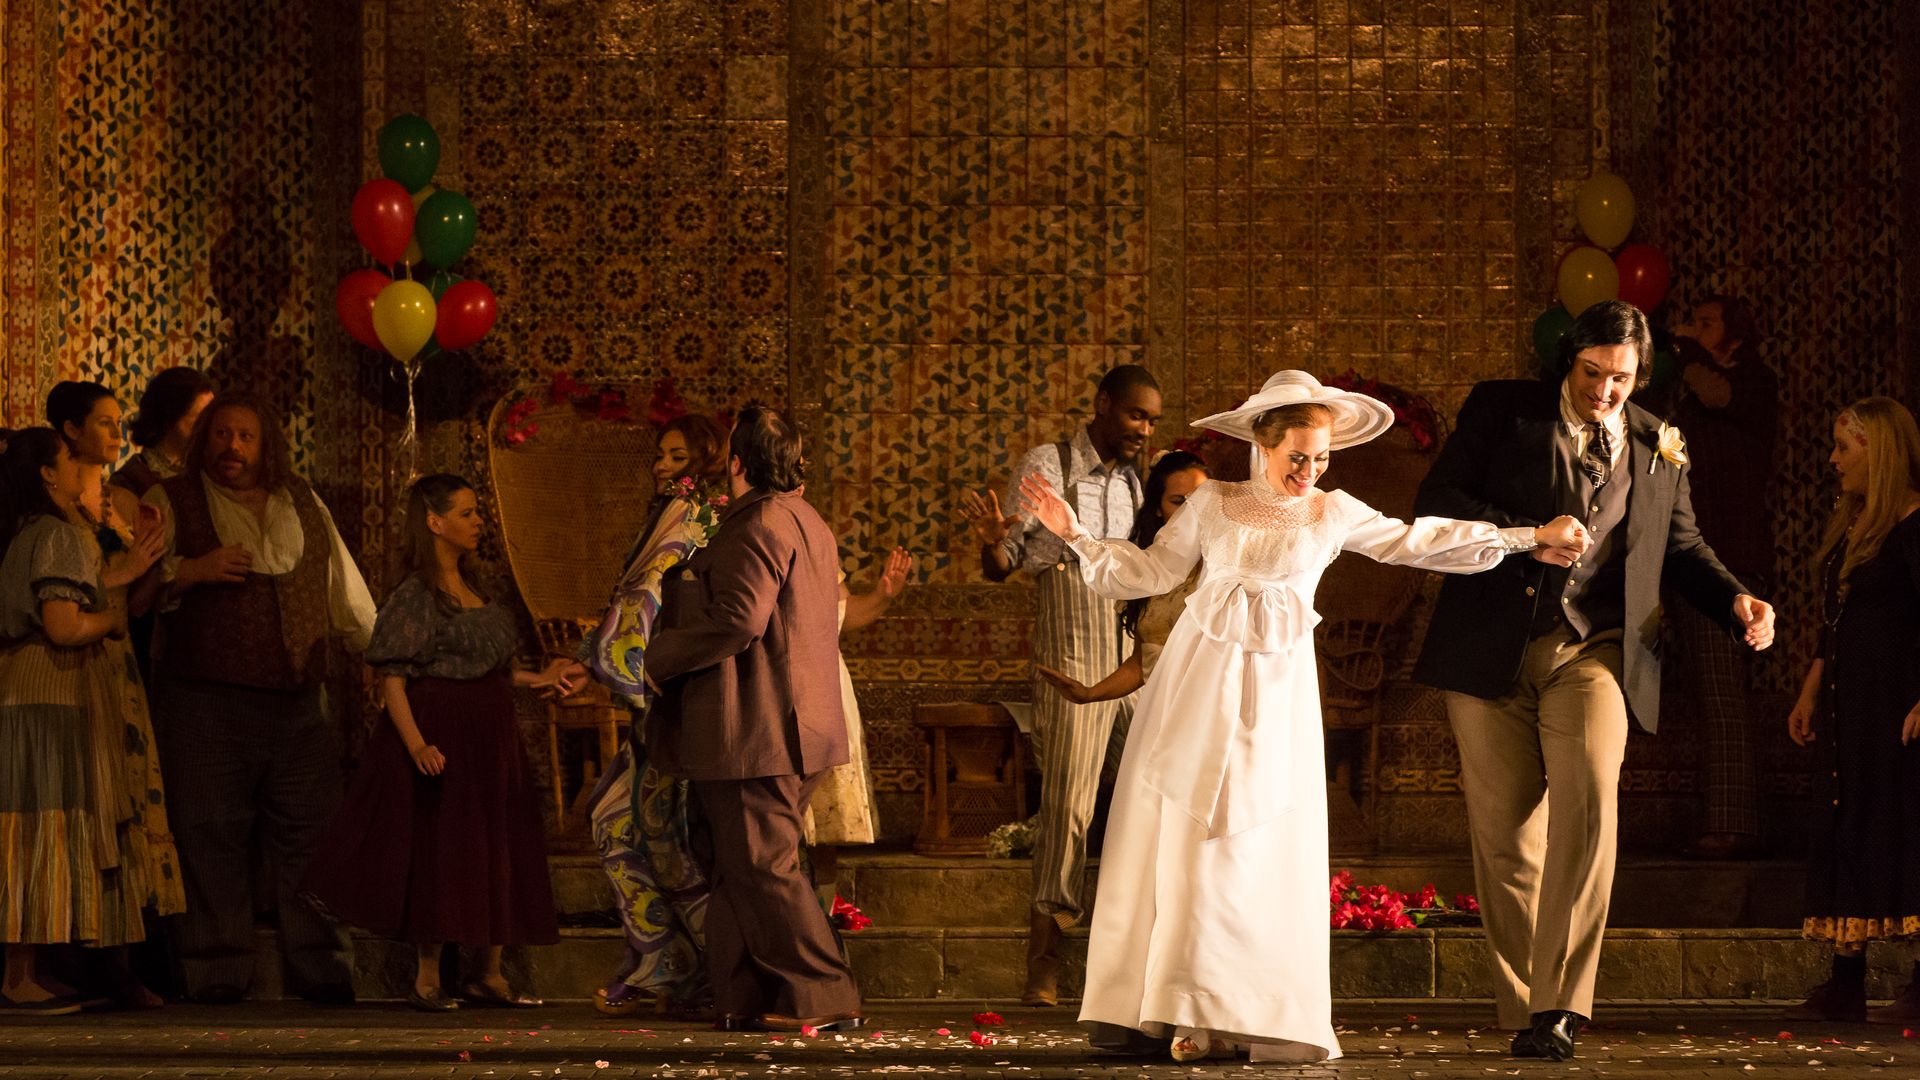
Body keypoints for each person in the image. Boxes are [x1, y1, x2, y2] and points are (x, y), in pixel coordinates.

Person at [1017, 371, 1589, 1063]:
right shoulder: (1213, 504)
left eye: (1321, 458)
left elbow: (1420, 542)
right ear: (1262, 443)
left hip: (1274, 698)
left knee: (1250, 845)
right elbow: (1149, 574)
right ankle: (1174, 1006)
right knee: (1189, 840)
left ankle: (1227, 1013)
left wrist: (1528, 537)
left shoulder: (1333, 511)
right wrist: (1074, 533)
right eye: (1298, 457)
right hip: (1196, 688)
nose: (1310, 471)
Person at [1413, 300, 1774, 1060]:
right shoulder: (1500, 410)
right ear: (1567, 360)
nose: (1606, 391)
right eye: (1592, 373)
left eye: (1623, 377)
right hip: (1490, 648)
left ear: (1641, 374)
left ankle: (1560, 1008)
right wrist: (1524, 539)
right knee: (1508, 839)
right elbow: (1436, 505)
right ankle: (1524, 1006)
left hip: (1597, 650)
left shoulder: (1657, 443)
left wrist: (1734, 595)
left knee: (1588, 800)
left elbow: (1683, 546)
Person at [140, 391, 378, 1004]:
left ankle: (323, 966)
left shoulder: (303, 501)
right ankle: (214, 969)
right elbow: (128, 592)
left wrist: (385, 659)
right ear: (203, 443)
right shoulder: (170, 501)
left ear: (266, 443)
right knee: (208, 834)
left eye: (245, 437)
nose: (233, 448)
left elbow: (345, 595)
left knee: (314, 834)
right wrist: (187, 571)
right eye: (221, 435)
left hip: (299, 704)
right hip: (204, 703)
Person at [302, 474, 566, 1011]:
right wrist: (418, 744)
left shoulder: (480, 588)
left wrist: (539, 680)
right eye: (467, 513)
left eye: (477, 512)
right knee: (446, 850)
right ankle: (428, 976)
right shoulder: (417, 596)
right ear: (434, 521)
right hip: (445, 735)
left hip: (493, 739)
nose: (478, 522)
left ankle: (487, 972)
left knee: (497, 844)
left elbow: (492, 669)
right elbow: (393, 678)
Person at [642, 405, 862, 1032]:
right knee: (737, 862)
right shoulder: (806, 519)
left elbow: (740, 620)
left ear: (737, 464)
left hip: (756, 726)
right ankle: (743, 995)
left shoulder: (759, 521)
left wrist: (658, 659)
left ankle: (824, 991)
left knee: (763, 864)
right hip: (793, 723)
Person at [959, 363, 1160, 1006]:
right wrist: (993, 544)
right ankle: (1044, 961)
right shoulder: (1048, 464)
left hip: (1130, 653)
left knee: (1154, 796)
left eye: (1152, 420)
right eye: (1136, 415)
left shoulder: (1135, 481)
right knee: (1070, 807)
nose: (1144, 430)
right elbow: (1006, 564)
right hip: (1072, 647)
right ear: (1103, 405)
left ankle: (1143, 952)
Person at [559, 413, 731, 1018]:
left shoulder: (698, 516)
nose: (661, 465)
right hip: (655, 702)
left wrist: (623, 662)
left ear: (704, 461)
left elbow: (654, 597)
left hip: (673, 700)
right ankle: (671, 960)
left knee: (662, 838)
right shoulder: (674, 515)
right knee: (618, 823)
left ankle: (717, 964)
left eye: (676, 455)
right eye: (660, 454)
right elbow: (632, 594)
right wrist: (590, 659)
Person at [46, 382, 183, 1008]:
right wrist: (123, 570)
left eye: (116, 421)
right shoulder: (52, 507)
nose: (114, 433)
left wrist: (150, 562)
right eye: (103, 423)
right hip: (74, 664)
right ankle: (81, 961)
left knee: (131, 803)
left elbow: (138, 604)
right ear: (71, 431)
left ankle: (128, 955)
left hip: (121, 663)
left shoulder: (117, 503)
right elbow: (62, 593)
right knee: (88, 806)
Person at [1785, 397, 1920, 1024]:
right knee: (1847, 822)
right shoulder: (1853, 526)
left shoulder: (1915, 528)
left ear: (1882, 453)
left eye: (1846, 448)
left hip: (1894, 708)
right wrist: (1812, 690)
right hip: (1848, 706)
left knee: (1897, 826)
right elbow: (1832, 622)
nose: (1833, 460)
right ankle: (1846, 978)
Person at [0, 429, 136, 1014]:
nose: (86, 467)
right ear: (47, 476)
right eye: (70, 459)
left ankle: (26, 970)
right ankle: (17, 975)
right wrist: (109, 622)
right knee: (37, 824)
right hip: (47, 688)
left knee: (31, 824)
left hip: (31, 687)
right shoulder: (55, 534)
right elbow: (62, 625)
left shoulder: (28, 533)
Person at [1664, 296, 1778, 858]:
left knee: (1720, 691)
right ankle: (1721, 816)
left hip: (1730, 558)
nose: (1692, 330)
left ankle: (1732, 824)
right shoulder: (1686, 392)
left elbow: (1719, 393)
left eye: (1707, 324)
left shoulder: (1753, 382)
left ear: (1734, 338)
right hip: (1689, 554)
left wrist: (1680, 343)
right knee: (1702, 689)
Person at [1034, 451, 1208, 707]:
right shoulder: (1145, 572)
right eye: (1178, 502)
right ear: (1158, 508)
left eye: (1201, 503)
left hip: (1206, 709)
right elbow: (1140, 663)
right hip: (1160, 711)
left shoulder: (1222, 569)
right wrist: (1089, 694)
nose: (1189, 515)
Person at [804, 547, 913, 907]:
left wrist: (881, 595)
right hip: (782, 673)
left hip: (823, 677)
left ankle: (823, 915)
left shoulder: (815, 543)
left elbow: (841, 614)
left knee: (825, 811)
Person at [110, 366, 215, 499]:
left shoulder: (206, 473)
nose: (210, 426)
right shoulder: (129, 481)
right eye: (200, 417)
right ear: (171, 417)